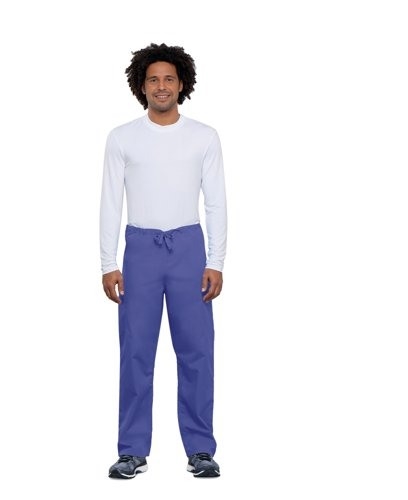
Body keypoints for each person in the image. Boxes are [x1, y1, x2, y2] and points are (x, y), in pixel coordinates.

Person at [100, 43, 227, 479]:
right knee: (136, 351)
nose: (161, 86)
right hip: (140, 251)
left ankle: (201, 448)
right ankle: (132, 450)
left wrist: (216, 260)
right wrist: (108, 262)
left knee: (197, 351)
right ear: (141, 86)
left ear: (182, 84)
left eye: (169, 79)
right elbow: (110, 202)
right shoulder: (122, 138)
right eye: (153, 79)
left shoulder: (204, 137)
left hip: (189, 249)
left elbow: (216, 202)